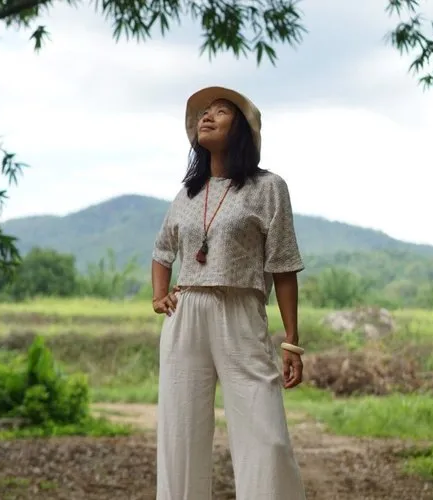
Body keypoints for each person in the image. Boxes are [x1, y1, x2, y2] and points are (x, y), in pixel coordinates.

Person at [152, 86, 306, 500]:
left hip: (240, 310)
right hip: (185, 315)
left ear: (241, 130)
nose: (207, 116)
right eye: (204, 113)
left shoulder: (268, 187)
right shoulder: (187, 194)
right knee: (179, 433)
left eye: (220, 112)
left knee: (265, 433)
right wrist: (159, 294)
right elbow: (162, 251)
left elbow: (284, 264)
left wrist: (291, 341)